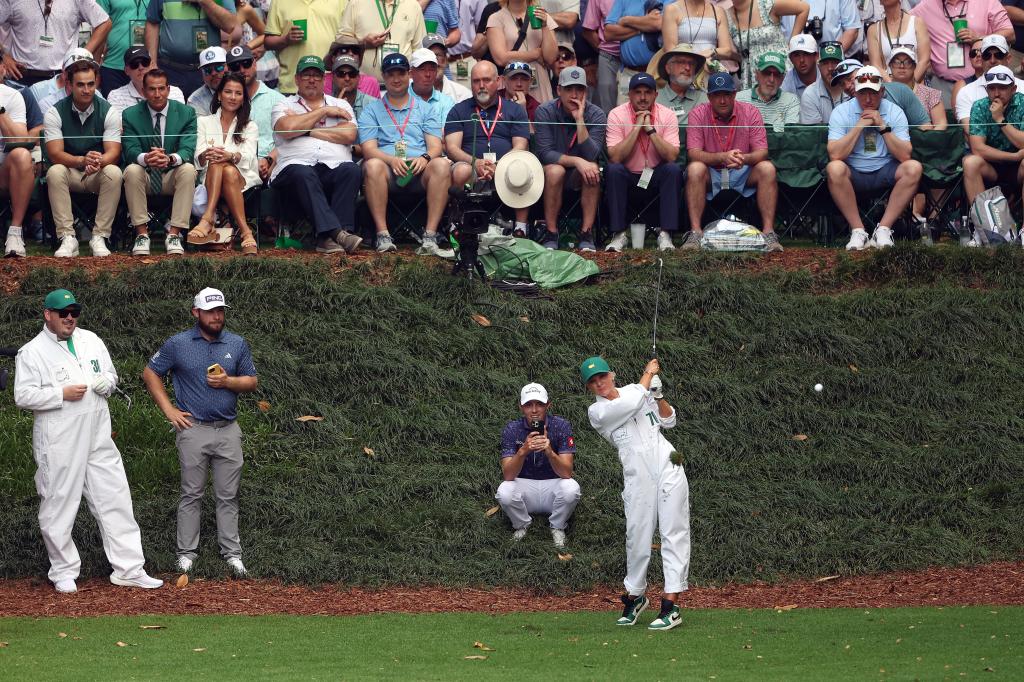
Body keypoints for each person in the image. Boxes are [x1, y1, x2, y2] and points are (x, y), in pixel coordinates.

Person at [14, 289, 164, 594]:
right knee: (59, 501)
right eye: (63, 313)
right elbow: (23, 396)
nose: (70, 318)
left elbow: (110, 375)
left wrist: (107, 384)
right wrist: (60, 395)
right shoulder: (32, 352)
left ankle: (129, 568)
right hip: (59, 437)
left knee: (115, 496)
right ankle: (63, 570)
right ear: (48, 315)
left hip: (97, 432)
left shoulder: (91, 340)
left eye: (74, 312)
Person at [143, 287, 258, 578]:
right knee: (191, 494)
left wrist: (228, 382)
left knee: (228, 495)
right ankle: (186, 555)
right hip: (193, 430)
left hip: (229, 429)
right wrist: (169, 410)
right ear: (196, 313)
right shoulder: (178, 343)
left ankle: (232, 555)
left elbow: (252, 381)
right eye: (210, 311)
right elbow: (150, 372)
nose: (216, 316)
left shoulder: (237, 342)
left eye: (220, 311)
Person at [582, 355, 690, 632]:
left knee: (673, 532)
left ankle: (671, 605)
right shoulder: (598, 413)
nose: (599, 383)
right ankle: (636, 596)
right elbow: (629, 404)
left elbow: (669, 421)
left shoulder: (637, 390)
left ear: (612, 375)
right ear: (589, 388)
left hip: (669, 463)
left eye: (602, 376)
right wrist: (646, 376)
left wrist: (659, 394)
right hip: (637, 476)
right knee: (637, 537)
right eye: (593, 382)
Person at [359, 52, 450, 254]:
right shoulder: (371, 110)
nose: (396, 79)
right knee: (372, 164)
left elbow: (436, 146)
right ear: (383, 76)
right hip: (387, 172)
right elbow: (368, 149)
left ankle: (430, 236)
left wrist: (424, 158)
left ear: (408, 74)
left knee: (442, 164)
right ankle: (382, 235)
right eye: (390, 74)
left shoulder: (426, 109)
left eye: (400, 73)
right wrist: (392, 160)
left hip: (419, 171)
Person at [271, 55, 363, 255]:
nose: (312, 80)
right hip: (292, 171)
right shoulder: (283, 104)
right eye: (306, 75)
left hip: (332, 167)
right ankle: (338, 233)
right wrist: (324, 112)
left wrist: (305, 128)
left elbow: (349, 134)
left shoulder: (343, 106)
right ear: (296, 79)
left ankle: (327, 239)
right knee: (303, 172)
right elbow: (286, 130)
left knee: (351, 169)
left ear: (324, 80)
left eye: (316, 75)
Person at [827, 66, 922, 250]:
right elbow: (834, 154)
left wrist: (882, 126)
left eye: (873, 93)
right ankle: (858, 230)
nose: (868, 99)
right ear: (855, 92)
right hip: (853, 171)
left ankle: (883, 229)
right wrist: (859, 126)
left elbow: (905, 155)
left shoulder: (894, 111)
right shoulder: (841, 112)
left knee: (914, 168)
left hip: (885, 168)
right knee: (834, 168)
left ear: (882, 91)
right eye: (863, 93)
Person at [687, 71, 782, 251]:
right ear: (709, 97)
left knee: (767, 168)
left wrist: (744, 158)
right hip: (712, 171)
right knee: (694, 169)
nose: (722, 100)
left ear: (734, 94)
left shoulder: (750, 112)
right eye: (717, 95)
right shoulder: (698, 114)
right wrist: (721, 157)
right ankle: (695, 233)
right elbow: (693, 153)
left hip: (742, 170)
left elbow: (762, 152)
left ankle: (768, 232)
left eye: (727, 95)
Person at [44, 55, 122, 258]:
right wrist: (81, 160)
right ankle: (67, 237)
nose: (86, 90)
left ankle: (100, 236)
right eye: (80, 85)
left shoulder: (109, 111)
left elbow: (113, 152)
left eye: (90, 84)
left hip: (96, 172)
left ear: (96, 83)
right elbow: (54, 153)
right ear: (69, 85)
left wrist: (97, 161)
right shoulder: (55, 112)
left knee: (114, 172)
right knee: (54, 171)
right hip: (70, 171)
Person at [444, 60, 532, 235]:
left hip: (505, 166)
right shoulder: (459, 110)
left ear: (498, 81)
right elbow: (452, 148)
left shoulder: (515, 110)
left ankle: (521, 228)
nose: (481, 86)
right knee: (461, 171)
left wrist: (499, 164)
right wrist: (475, 163)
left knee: (523, 166)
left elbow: (521, 145)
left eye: (486, 80)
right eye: (476, 81)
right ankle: (456, 222)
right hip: (470, 166)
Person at [122, 68, 198, 257]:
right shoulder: (130, 114)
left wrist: (170, 159)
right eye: (152, 89)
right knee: (131, 170)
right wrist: (146, 158)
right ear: (144, 90)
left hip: (172, 174)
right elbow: (130, 150)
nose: (157, 94)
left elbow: (187, 149)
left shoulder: (186, 113)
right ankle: (141, 235)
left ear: (168, 89)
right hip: (145, 175)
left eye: (161, 89)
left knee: (188, 169)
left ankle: (174, 234)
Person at [603, 72, 682, 252]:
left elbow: (672, 156)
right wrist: (637, 127)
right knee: (613, 169)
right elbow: (614, 156)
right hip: (628, 176)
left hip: (655, 175)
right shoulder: (616, 114)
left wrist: (650, 130)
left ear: (656, 94)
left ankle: (665, 235)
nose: (643, 97)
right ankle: (618, 235)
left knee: (673, 169)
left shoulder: (667, 115)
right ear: (629, 94)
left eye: (648, 92)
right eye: (637, 92)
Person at [497, 382, 582, 548]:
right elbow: (508, 475)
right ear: (521, 407)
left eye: (539, 404)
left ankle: (557, 526)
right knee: (504, 491)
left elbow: (566, 473)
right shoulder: (512, 429)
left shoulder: (561, 426)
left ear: (548, 405)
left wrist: (549, 451)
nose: (534, 410)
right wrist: (523, 450)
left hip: (553, 486)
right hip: (525, 488)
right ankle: (522, 524)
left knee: (572, 488)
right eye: (528, 405)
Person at [534, 65, 606, 251]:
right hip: (551, 172)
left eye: (579, 89)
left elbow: (592, 155)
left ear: (586, 91)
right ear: (559, 90)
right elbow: (544, 153)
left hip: (580, 175)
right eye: (569, 89)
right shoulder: (545, 111)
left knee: (592, 169)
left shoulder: (596, 114)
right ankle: (551, 232)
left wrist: (579, 119)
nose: (574, 94)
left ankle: (586, 233)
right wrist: (576, 161)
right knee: (556, 170)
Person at [192, 73, 260, 255]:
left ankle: (207, 219)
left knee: (227, 168)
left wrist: (230, 155)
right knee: (218, 163)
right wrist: (207, 154)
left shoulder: (249, 125)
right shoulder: (203, 122)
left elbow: (250, 157)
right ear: (219, 95)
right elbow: (197, 158)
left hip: (243, 178)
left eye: (238, 93)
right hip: (211, 179)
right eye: (228, 92)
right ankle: (246, 232)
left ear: (244, 98)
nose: (232, 97)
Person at [911, 0, 1014, 107]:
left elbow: (1010, 34)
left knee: (984, 120)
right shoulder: (927, 5)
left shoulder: (987, 1)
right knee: (945, 122)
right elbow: (902, 19)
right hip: (943, 86)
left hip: (985, 83)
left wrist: (979, 38)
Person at [0, 0, 111, 87]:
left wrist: (81, 55)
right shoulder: (12, 1)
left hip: (62, 78)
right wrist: (3, 56)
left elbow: (105, 23)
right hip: (22, 76)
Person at [145, 0, 238, 96]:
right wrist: (152, 63)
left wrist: (205, 2)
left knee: (207, 110)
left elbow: (229, 25)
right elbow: (153, 22)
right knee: (171, 110)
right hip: (171, 70)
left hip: (209, 71)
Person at [964, 65, 1024, 209]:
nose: (996, 93)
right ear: (986, 90)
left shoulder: (1023, 103)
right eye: (992, 88)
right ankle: (984, 227)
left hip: (1019, 168)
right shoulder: (979, 106)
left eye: (1002, 87)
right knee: (970, 163)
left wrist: (1000, 120)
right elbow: (978, 149)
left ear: (1013, 89)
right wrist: (1014, 156)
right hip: (992, 166)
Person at [227, 44, 286, 184]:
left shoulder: (277, 99)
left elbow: (288, 139)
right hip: (236, 164)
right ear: (228, 70)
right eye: (235, 66)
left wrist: (270, 159)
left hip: (273, 164)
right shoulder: (225, 102)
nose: (241, 70)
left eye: (246, 63)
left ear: (254, 63)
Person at [263, 0, 348, 95]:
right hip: (292, 85)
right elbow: (267, 42)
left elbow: (348, 38)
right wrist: (286, 39)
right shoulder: (279, 2)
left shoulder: (341, 1)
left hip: (329, 85)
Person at [337, 0, 427, 83]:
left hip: (401, 88)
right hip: (363, 87)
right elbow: (341, 41)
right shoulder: (356, 3)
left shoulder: (413, 5)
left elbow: (420, 50)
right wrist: (364, 43)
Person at [726, 0, 808, 90]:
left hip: (778, 68)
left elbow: (804, 8)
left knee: (786, 102)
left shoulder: (766, 5)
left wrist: (792, 44)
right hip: (751, 75)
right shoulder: (727, 16)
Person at [488, 0, 559, 103]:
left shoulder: (542, 15)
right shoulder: (496, 18)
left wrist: (545, 26)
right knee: (513, 115)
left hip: (539, 81)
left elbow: (551, 58)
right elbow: (501, 58)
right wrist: (535, 54)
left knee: (541, 115)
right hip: (512, 81)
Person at [955, 35, 1024, 128]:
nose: (992, 60)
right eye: (987, 56)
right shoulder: (966, 92)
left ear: (1008, 58)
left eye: (998, 55)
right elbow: (971, 134)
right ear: (982, 59)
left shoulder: (1022, 86)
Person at [604, 0, 665, 104]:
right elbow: (608, 33)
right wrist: (643, 27)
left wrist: (626, 20)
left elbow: (658, 23)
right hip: (629, 72)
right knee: (624, 116)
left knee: (657, 116)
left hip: (656, 74)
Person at [0, 75, 34, 258]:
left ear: (3, 68)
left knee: (22, 155)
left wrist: (0, 112)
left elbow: (20, 141)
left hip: (3, 172)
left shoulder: (12, 96)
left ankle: (14, 232)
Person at [97, 0, 153, 94]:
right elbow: (98, 27)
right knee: (113, 107)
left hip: (144, 66)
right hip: (113, 66)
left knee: (144, 107)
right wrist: (95, 67)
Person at [866, 0, 931, 82]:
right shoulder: (873, 30)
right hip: (889, 88)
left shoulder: (917, 23)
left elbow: (924, 60)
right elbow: (876, 65)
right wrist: (894, 88)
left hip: (917, 86)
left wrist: (910, 85)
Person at [107, 47, 186, 112]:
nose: (141, 67)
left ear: (152, 65)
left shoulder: (174, 92)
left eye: (145, 62)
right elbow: (121, 128)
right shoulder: (116, 96)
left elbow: (180, 123)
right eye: (134, 64)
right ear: (126, 70)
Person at [661, 0, 740, 65]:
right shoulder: (672, 9)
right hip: (683, 69)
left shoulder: (718, 11)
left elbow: (727, 51)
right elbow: (670, 50)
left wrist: (712, 52)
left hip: (710, 68)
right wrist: (696, 59)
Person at [736, 51, 801, 129]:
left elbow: (790, 135)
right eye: (766, 73)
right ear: (756, 75)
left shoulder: (791, 101)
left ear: (782, 78)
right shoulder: (739, 99)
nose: (771, 79)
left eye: (776, 74)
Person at [887, 46, 947, 130]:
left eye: (907, 62)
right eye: (896, 62)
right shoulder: (882, 92)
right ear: (890, 65)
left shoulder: (931, 94)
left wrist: (925, 137)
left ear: (914, 66)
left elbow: (941, 124)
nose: (901, 66)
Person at [582, 0, 623, 111]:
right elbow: (588, 30)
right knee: (607, 111)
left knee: (638, 105)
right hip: (608, 58)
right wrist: (604, 49)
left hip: (636, 61)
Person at [654, 43, 709, 123]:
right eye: (681, 62)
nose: (687, 68)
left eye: (692, 63)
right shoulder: (654, 99)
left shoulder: (704, 99)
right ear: (668, 68)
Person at [324, 34, 382, 100]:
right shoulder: (322, 81)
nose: (350, 54)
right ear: (333, 58)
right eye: (344, 50)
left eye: (355, 51)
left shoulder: (371, 83)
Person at [799, 42, 846, 123]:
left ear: (843, 64)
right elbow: (816, 133)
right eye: (825, 63)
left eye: (835, 62)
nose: (830, 68)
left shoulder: (853, 90)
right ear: (818, 66)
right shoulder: (810, 94)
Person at [409, 47, 456, 122]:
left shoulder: (446, 102)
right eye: (422, 69)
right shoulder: (399, 99)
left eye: (432, 69)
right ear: (411, 73)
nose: (428, 74)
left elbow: (447, 132)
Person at [423, 32, 472, 102]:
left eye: (438, 55)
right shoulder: (409, 94)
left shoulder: (462, 96)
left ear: (445, 60)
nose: (434, 60)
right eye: (429, 55)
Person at [188, 46, 229, 117]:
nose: (214, 73)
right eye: (207, 70)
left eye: (219, 67)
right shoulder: (195, 100)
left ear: (228, 67)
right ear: (202, 73)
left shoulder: (244, 88)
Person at [331, 55, 373, 120]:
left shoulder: (372, 104)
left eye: (352, 74)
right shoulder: (326, 103)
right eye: (341, 74)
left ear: (358, 77)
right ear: (333, 77)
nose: (347, 78)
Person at [502, 61, 542, 127]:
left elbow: (534, 136)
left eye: (524, 79)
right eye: (513, 79)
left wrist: (522, 112)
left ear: (531, 82)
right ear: (504, 80)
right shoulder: (494, 98)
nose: (519, 84)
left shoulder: (537, 108)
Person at [950, 37, 986, 107]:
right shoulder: (962, 85)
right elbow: (959, 116)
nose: (978, 55)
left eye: (982, 51)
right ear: (970, 59)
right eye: (973, 53)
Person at [781, 33, 818, 99]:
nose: (801, 60)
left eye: (806, 54)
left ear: (816, 56)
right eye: (796, 55)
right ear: (791, 59)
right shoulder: (786, 82)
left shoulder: (825, 75)